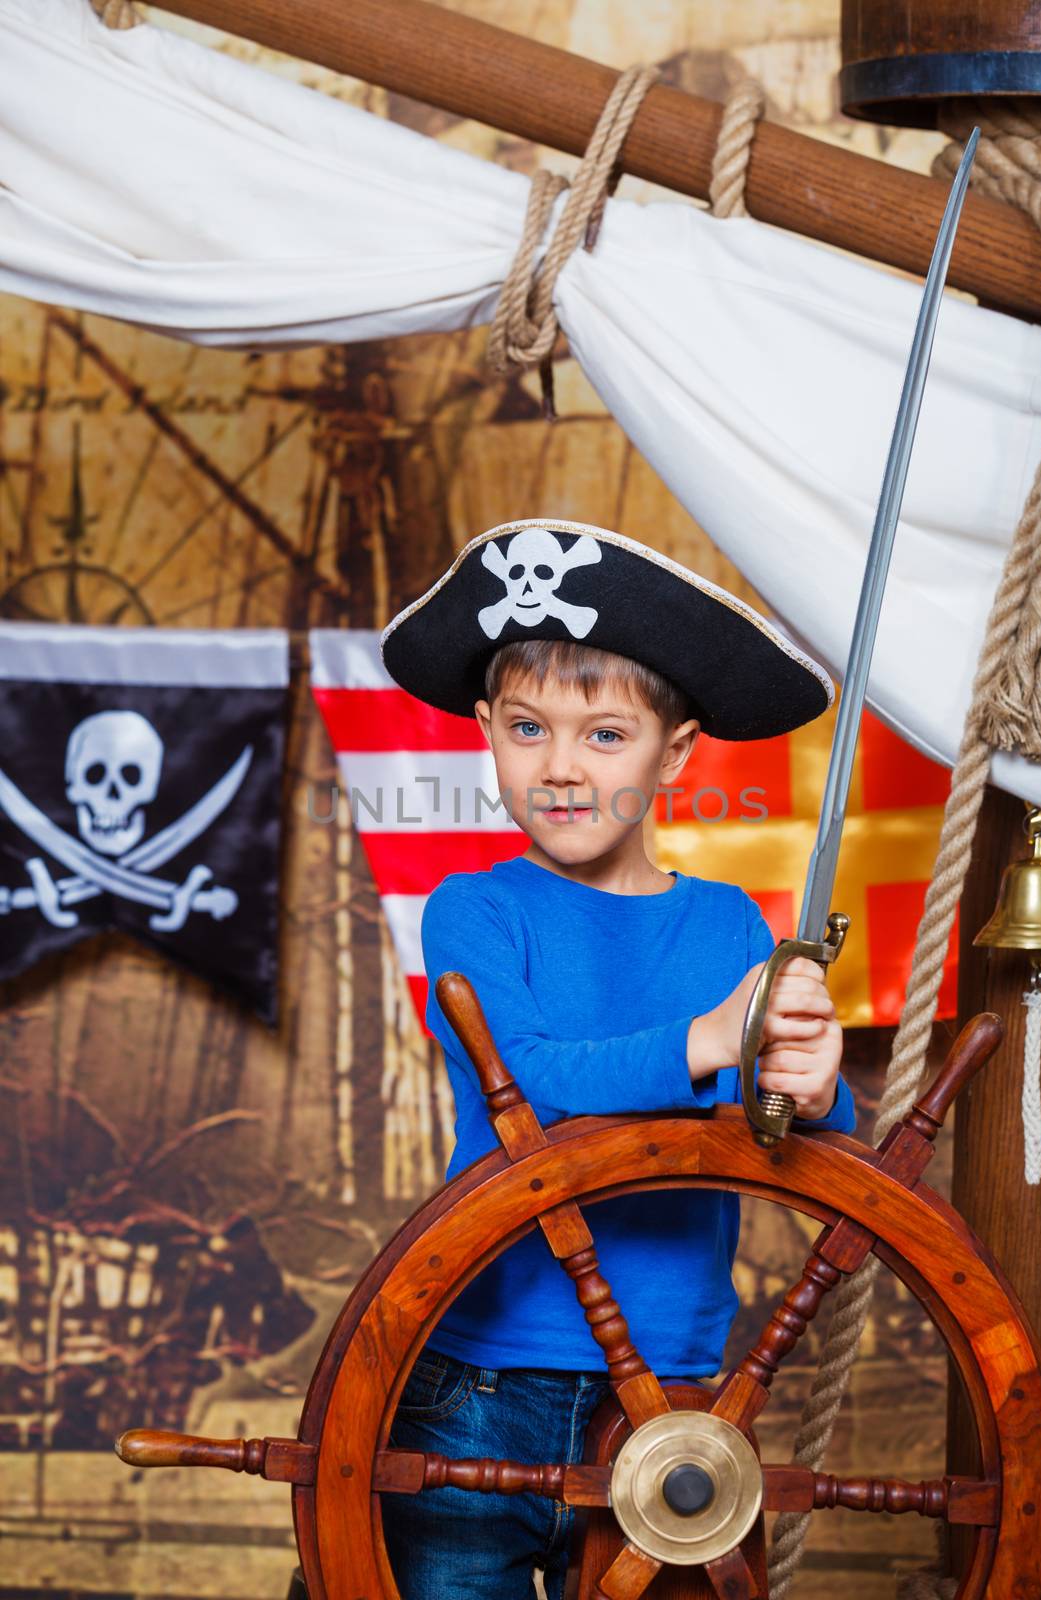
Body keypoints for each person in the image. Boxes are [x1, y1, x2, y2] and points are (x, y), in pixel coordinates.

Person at [377, 518, 855, 1599]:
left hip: (675, 1389)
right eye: (523, 727)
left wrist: (812, 1081)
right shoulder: (473, 912)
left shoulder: (733, 926)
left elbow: (813, 1138)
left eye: (602, 735)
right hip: (476, 1380)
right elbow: (536, 1081)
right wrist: (707, 1037)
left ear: (674, 752)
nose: (556, 767)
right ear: (486, 735)